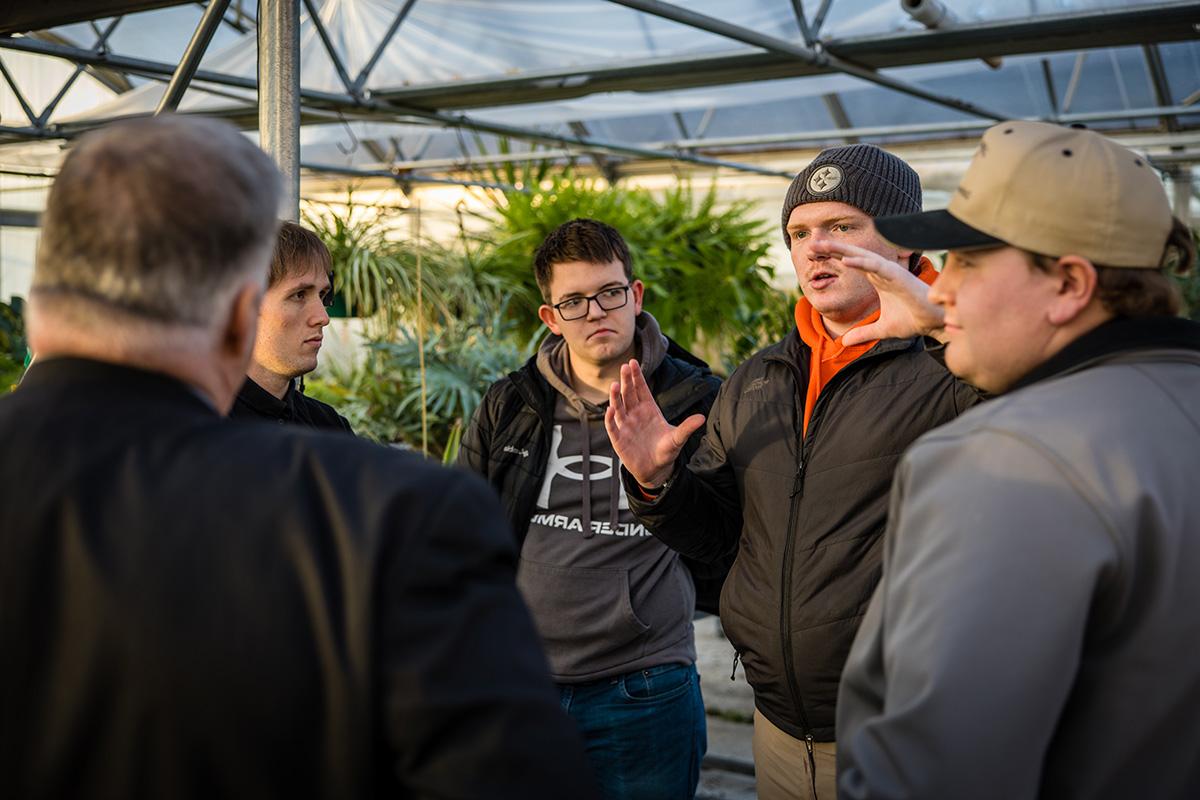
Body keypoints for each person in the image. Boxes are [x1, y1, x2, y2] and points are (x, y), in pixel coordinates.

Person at [0, 114, 599, 800]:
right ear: (238, 313)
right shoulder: (391, 515)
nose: (321, 314)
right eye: (299, 296)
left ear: (38, 308)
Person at [833, 120, 1200, 799]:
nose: (939, 290)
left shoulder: (1004, 459)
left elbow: (932, 776)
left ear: (1068, 285)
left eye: (968, 262)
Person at [606, 144, 978, 799]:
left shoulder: (958, 368)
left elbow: (1065, 422)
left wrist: (945, 329)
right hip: (778, 727)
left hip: (905, 728)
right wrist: (657, 484)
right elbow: (719, 536)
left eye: (842, 226)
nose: (816, 248)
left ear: (901, 241)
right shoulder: (759, 379)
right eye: (800, 233)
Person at [458, 218, 721, 800]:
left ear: (635, 295)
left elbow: (725, 536)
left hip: (646, 684)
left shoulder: (695, 401)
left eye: (609, 292)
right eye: (573, 301)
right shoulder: (512, 403)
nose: (596, 311)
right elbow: (462, 530)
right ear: (550, 318)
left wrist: (661, 481)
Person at [229, 220, 352, 432]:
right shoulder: (196, 434)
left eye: (323, 295)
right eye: (299, 295)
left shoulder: (329, 427)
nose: (323, 317)